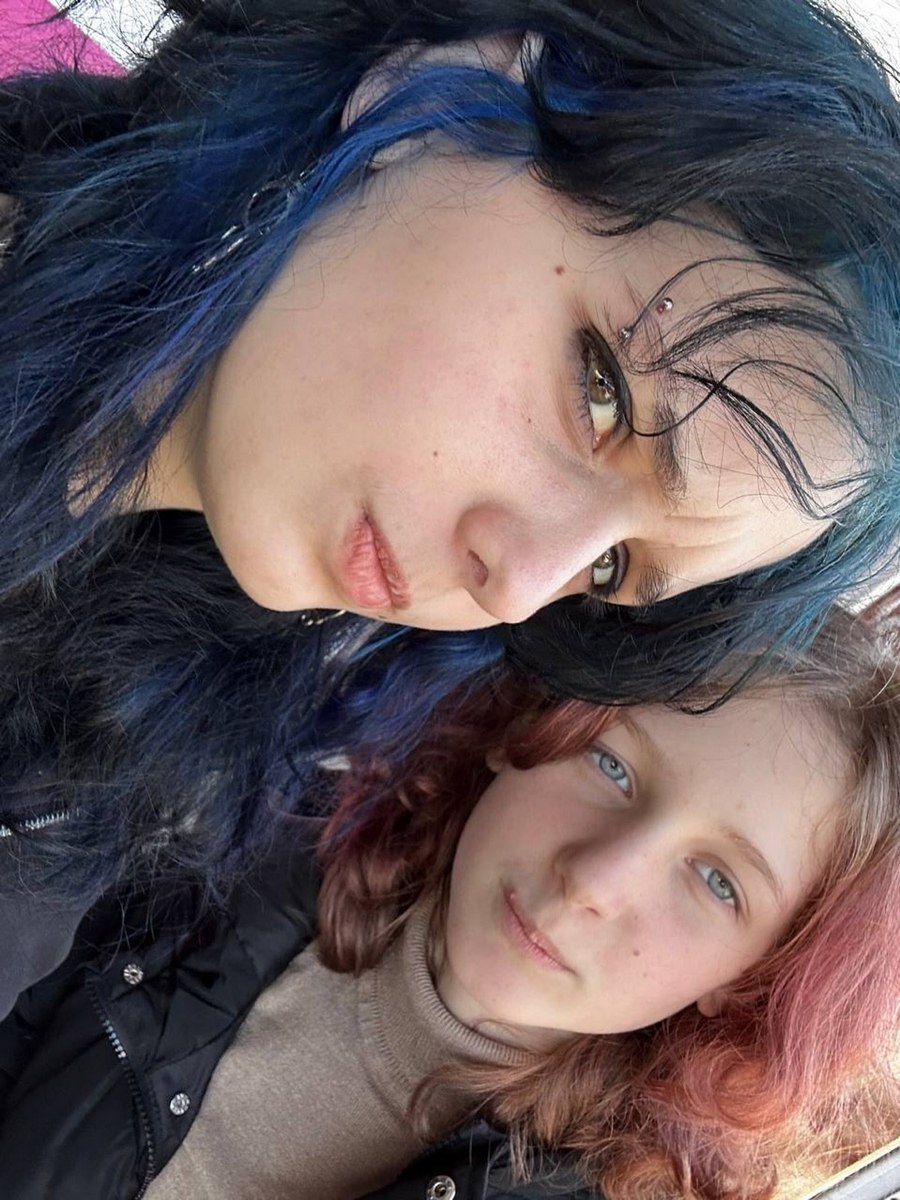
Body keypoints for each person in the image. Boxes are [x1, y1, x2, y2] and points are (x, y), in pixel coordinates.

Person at [0, 0, 899, 1017]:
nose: (517, 583)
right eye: (600, 397)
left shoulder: (155, 725)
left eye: (610, 570)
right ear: (438, 88)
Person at [1, 606, 897, 1200]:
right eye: (611, 763)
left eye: (717, 882)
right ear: (527, 726)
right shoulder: (219, 840)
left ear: (751, 978)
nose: (593, 882)